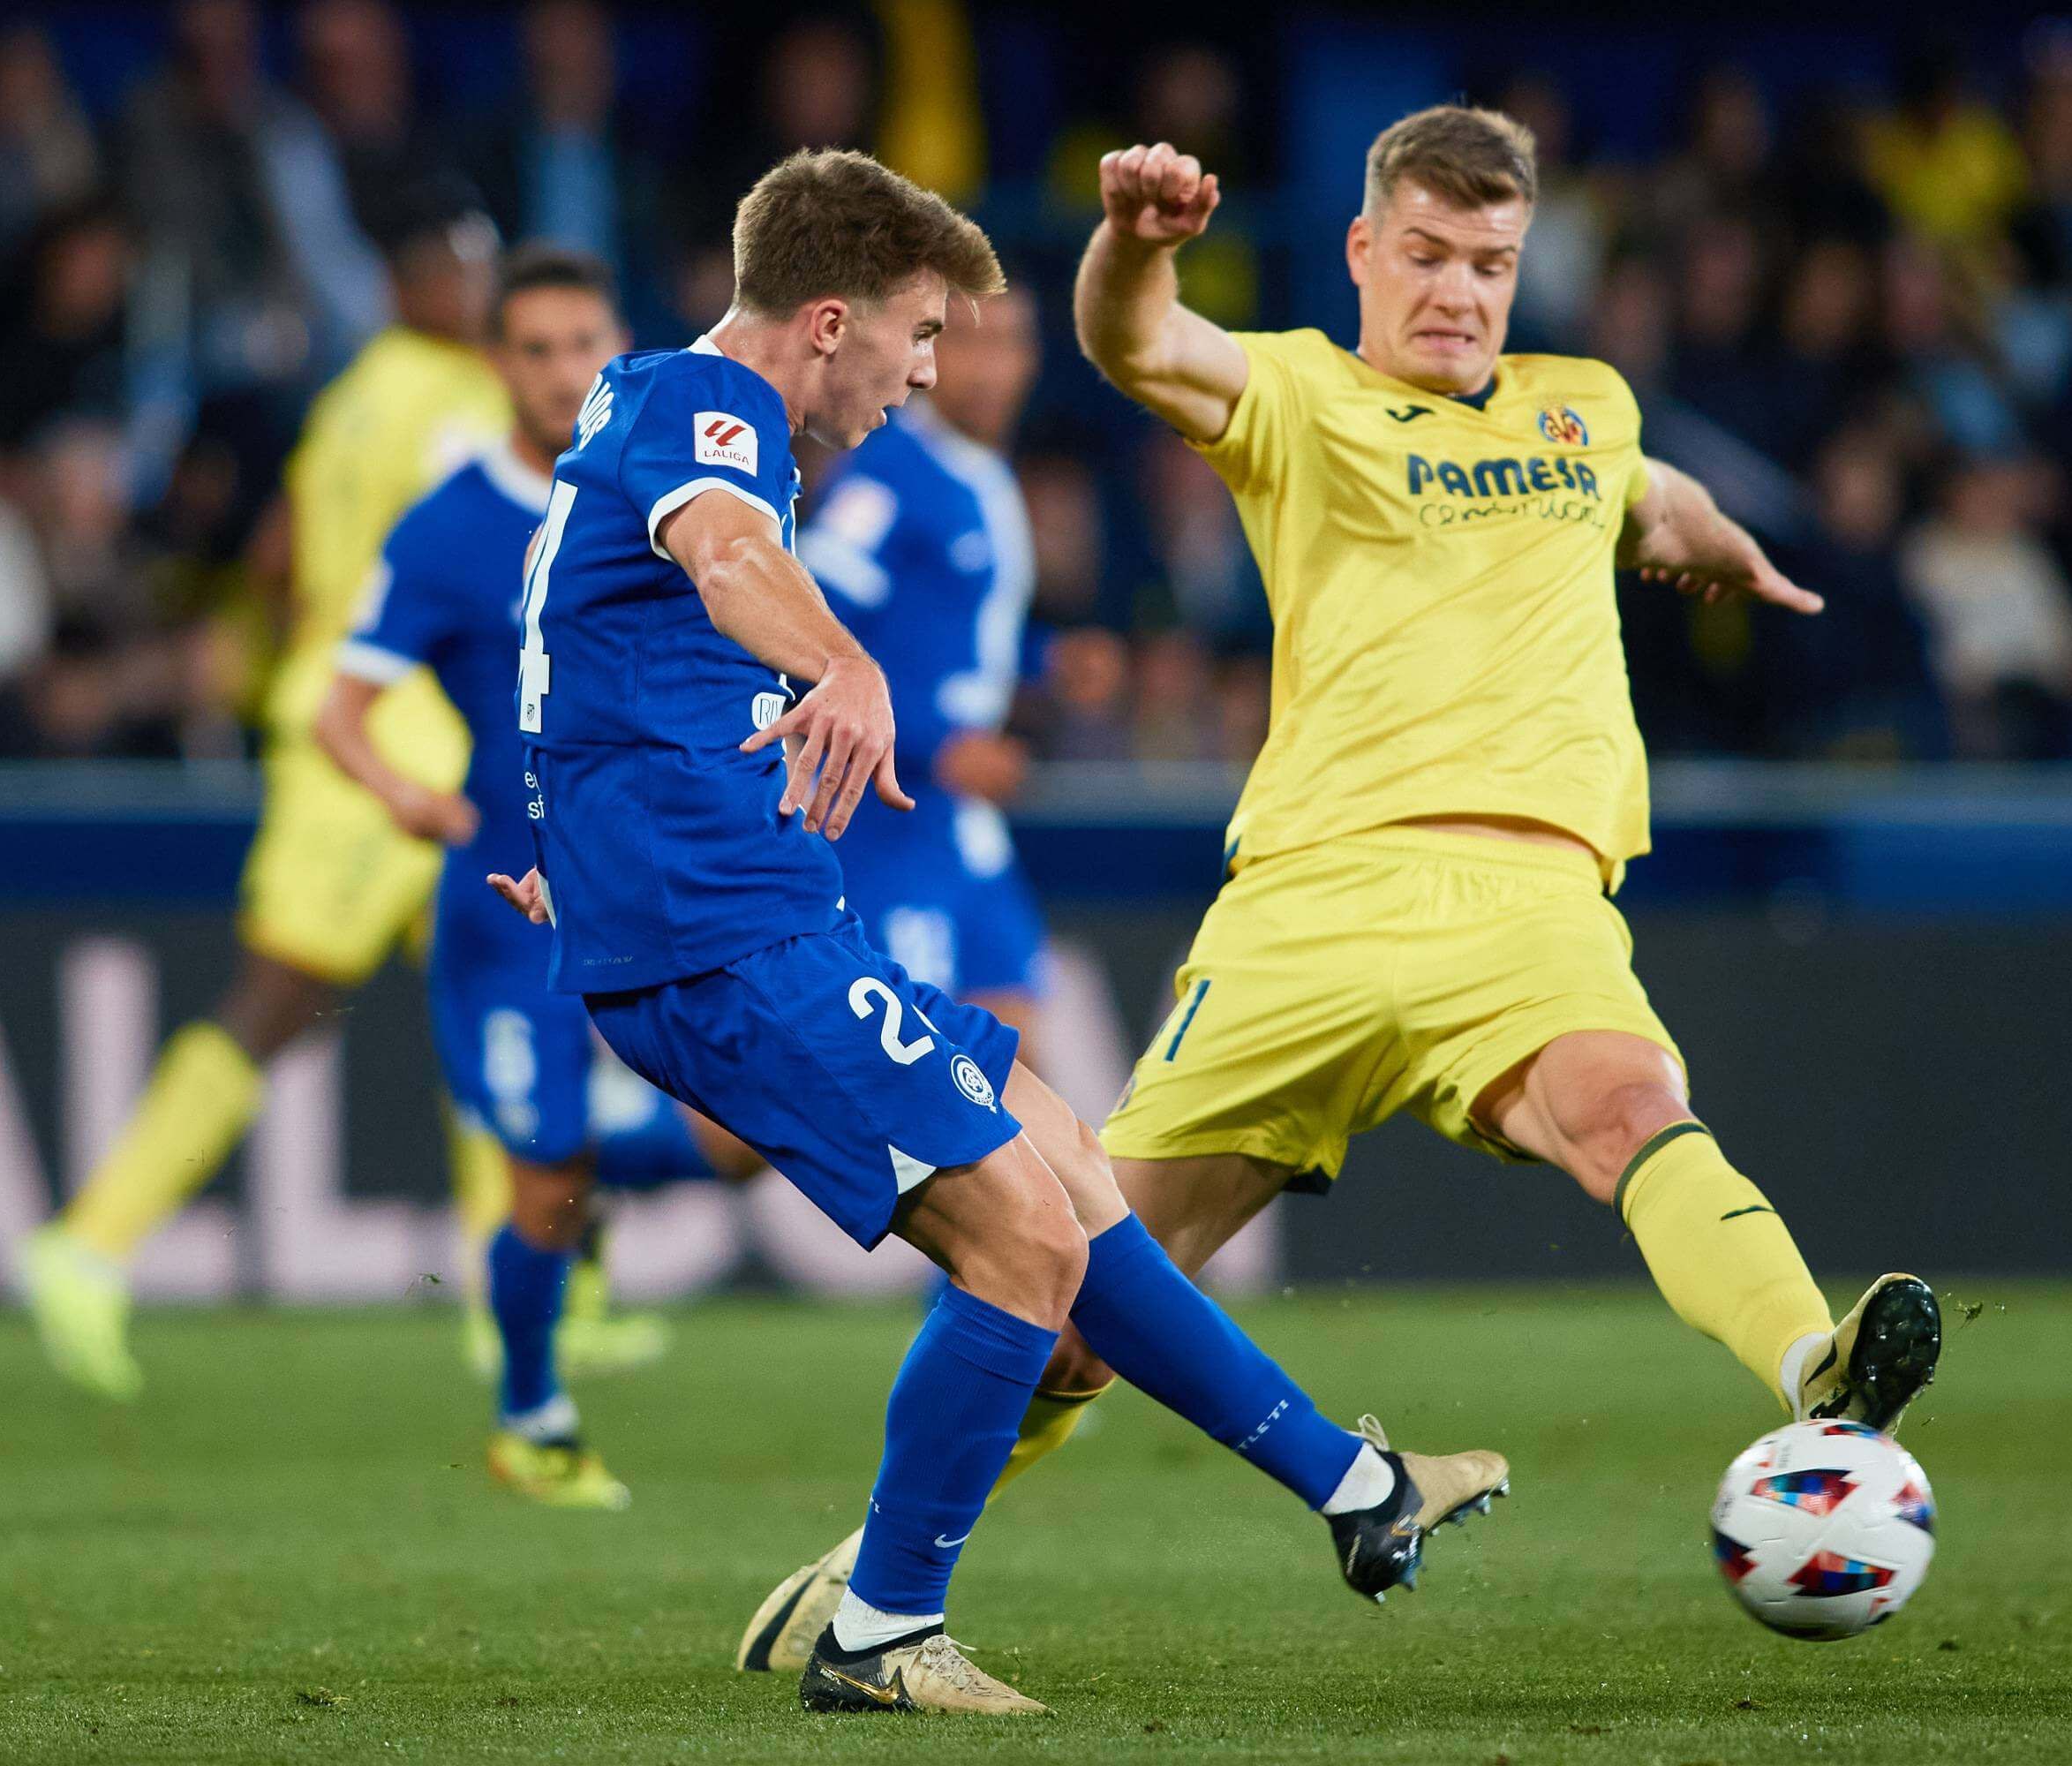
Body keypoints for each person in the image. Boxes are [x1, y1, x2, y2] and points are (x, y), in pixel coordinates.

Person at [743, 104, 1945, 1665]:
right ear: (1368, 251)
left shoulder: (1584, 406)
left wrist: (1710, 538)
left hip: (1531, 905)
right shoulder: (1304, 393)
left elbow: (1639, 498)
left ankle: (1816, 1366)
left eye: (1491, 264)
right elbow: (1144, 343)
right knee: (1073, 1279)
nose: (1458, 291)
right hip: (1313, 905)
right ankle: (867, 1575)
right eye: (1430, 256)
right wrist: (1133, 245)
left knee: (1629, 1103)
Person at [487, 147, 1507, 1716]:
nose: (926, 372)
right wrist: (847, 664)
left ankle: (1355, 1495)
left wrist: (590, 839)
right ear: (828, 322)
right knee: (1024, 1245)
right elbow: (729, 559)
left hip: (726, 902)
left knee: (1071, 1168)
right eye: (916, 333)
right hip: (722, 926)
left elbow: (591, 644)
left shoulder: (657, 401)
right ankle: (885, 1631)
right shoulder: (718, 419)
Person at [21, 189, 650, 1399]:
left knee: (499, 992)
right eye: (461, 273)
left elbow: (278, 553)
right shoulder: (458, 403)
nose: (479, 296)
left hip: (378, 704)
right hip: (396, 728)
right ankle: (88, 1242)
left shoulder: (351, 401)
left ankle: (519, 1295)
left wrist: (285, 647)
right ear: (416, 285)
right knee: (293, 992)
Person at [312, 245, 757, 1510]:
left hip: (649, 883)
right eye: (538, 349)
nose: (566, 372)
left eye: (585, 345)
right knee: (542, 1171)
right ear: (495, 363)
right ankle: (531, 1414)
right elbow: (343, 707)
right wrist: (404, 792)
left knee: (737, 1140)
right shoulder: (452, 522)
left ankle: (584, 1183)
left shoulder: (662, 491)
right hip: (504, 909)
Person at [797, 283, 1048, 1047]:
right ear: (927, 354)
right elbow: (806, 630)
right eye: (972, 343)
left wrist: (1051, 661)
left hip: (957, 824)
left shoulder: (984, 473)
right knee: (923, 1088)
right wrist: (941, 743)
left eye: (1011, 343)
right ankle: (636, 1130)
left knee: (1015, 1062)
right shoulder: (889, 477)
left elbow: (950, 637)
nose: (992, 368)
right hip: (886, 820)